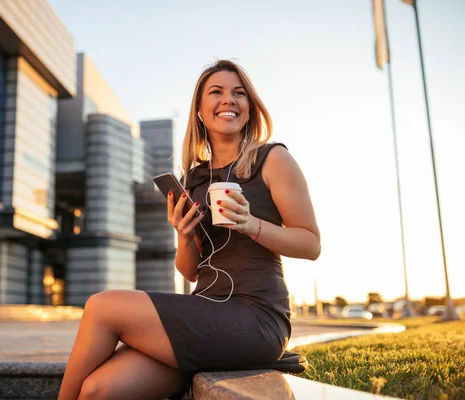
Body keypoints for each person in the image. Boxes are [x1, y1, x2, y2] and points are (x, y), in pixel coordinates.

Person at [57, 59, 320, 400]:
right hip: (206, 313)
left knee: (102, 306)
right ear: (199, 110)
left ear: (250, 108)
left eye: (239, 93)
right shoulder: (193, 180)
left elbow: (311, 244)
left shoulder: (272, 160)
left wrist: (251, 224)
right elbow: (191, 270)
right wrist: (183, 236)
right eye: (217, 92)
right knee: (97, 390)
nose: (229, 100)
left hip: (258, 316)